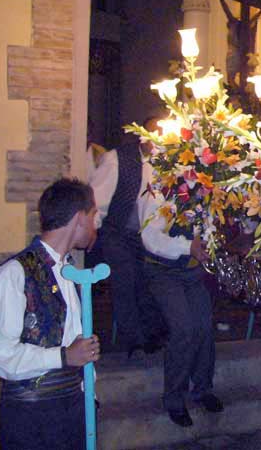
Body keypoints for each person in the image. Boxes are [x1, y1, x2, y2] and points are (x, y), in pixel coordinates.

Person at [0, 178, 102, 450]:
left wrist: (88, 394)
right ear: (79, 218)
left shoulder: (70, 273)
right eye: (94, 216)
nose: (96, 225)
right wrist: (64, 356)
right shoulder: (12, 275)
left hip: (72, 411)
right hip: (33, 421)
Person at [138, 165, 222, 427]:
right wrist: (188, 246)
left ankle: (202, 389)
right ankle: (174, 397)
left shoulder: (205, 184)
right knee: (183, 327)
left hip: (191, 272)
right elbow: (150, 237)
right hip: (163, 270)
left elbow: (206, 222)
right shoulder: (159, 185)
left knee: (204, 326)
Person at [90, 118, 164, 356]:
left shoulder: (167, 163)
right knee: (126, 281)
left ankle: (153, 333)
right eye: (153, 134)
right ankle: (133, 340)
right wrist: (92, 230)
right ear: (141, 135)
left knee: (151, 281)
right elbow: (97, 200)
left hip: (149, 235)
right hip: (118, 231)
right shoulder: (116, 159)